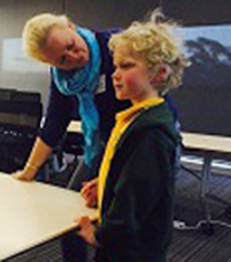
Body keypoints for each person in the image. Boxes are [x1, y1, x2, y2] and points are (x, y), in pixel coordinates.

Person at [14, 13, 177, 192]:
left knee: (124, 201)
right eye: (62, 60)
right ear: (50, 63)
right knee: (78, 196)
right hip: (102, 144)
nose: (74, 57)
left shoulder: (116, 46)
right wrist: (29, 170)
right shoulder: (63, 78)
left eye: (71, 46)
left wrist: (110, 180)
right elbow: (55, 121)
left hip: (140, 143)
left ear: (70, 26)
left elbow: (151, 103)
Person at [76, 10, 188, 262]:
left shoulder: (152, 131)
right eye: (115, 66)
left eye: (126, 66)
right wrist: (106, 184)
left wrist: (100, 237)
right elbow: (130, 175)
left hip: (132, 250)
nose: (114, 74)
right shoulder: (137, 116)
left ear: (159, 73)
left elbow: (134, 200)